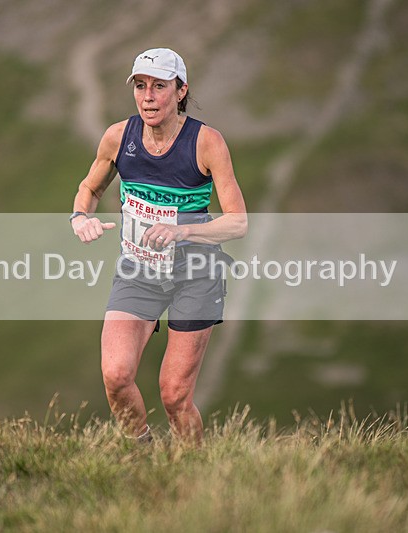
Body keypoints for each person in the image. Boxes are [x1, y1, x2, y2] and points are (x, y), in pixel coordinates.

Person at [70, 47, 247, 443]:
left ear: (181, 91)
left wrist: (182, 231)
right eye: (140, 86)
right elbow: (89, 187)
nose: (148, 96)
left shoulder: (206, 142)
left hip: (195, 276)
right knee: (116, 376)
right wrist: (80, 217)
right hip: (139, 271)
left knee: (175, 395)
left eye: (159, 87)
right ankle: (142, 454)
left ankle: (192, 475)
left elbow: (238, 222)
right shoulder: (118, 136)